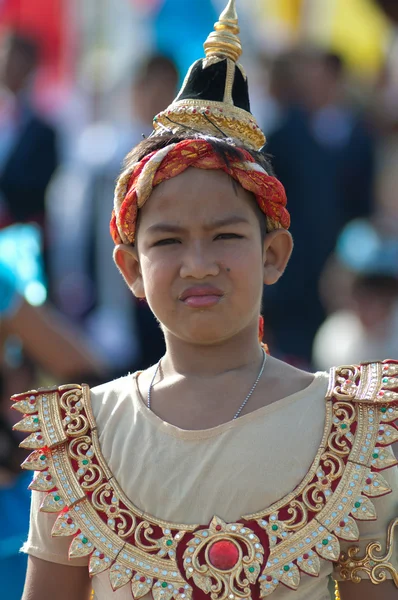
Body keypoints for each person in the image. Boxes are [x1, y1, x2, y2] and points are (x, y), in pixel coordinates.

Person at [13, 2, 397, 600]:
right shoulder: (77, 443)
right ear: (131, 268)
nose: (198, 263)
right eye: (167, 241)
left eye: (226, 235)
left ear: (274, 254)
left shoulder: (353, 433)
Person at [0, 31, 58, 230]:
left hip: (19, 234)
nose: (9, 66)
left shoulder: (44, 131)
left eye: (17, 60)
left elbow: (38, 186)